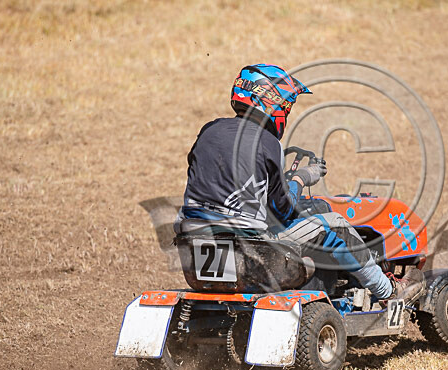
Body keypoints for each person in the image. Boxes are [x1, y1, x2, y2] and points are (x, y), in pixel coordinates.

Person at [176, 63, 424, 303]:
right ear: (270, 102)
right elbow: (282, 211)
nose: (286, 111)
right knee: (336, 226)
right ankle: (388, 290)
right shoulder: (267, 142)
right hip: (250, 251)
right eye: (286, 105)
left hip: (193, 245)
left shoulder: (208, 131)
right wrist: (300, 178)